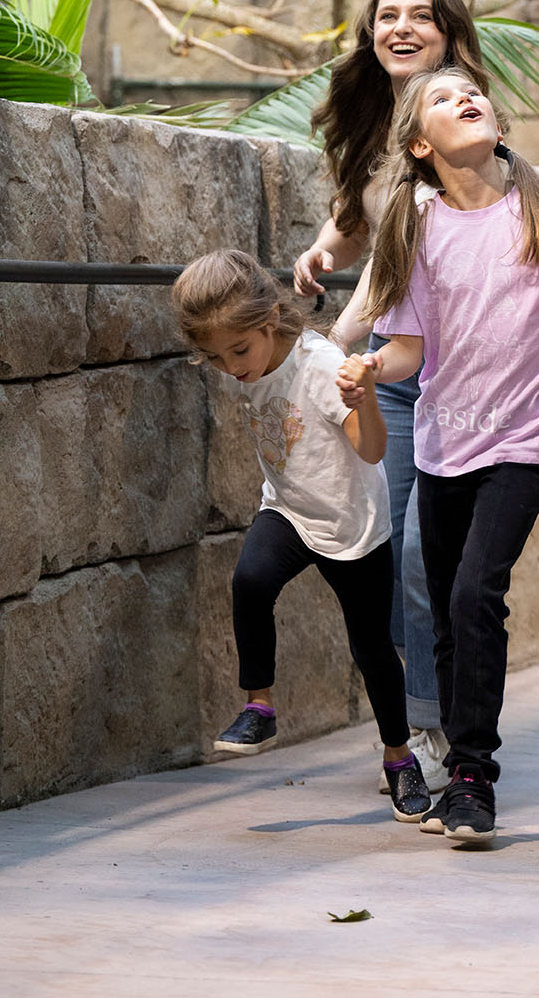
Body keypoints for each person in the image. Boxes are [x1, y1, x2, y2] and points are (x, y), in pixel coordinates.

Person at [341, 68, 539, 847]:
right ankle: (461, 761)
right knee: (450, 620)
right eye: (443, 96)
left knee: (471, 596)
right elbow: (406, 350)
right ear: (422, 145)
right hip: (443, 445)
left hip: (520, 443)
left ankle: (471, 775)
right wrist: (367, 370)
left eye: (474, 91)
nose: (468, 97)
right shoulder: (419, 231)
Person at [293, 0, 489, 797]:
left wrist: (331, 344)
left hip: (459, 375)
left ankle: (439, 724)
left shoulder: (459, 121)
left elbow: (401, 257)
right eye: (387, 16)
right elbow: (359, 216)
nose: (401, 28)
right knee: (391, 547)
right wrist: (320, 251)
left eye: (421, 16)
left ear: (449, 33)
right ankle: (421, 727)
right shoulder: (377, 120)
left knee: (423, 556)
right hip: (395, 380)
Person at [172, 249, 432, 823]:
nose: (232, 367)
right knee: (249, 580)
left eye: (239, 351)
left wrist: (364, 401)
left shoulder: (318, 367)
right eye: (216, 358)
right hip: (289, 510)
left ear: (269, 322)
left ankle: (398, 756)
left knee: (373, 652)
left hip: (351, 527)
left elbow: (371, 451)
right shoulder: (252, 358)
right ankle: (259, 705)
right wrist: (236, 356)